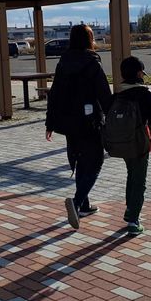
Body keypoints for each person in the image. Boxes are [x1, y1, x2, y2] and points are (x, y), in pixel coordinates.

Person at [45, 25, 112, 230]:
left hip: (69, 123)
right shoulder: (92, 62)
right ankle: (76, 202)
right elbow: (103, 93)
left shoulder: (63, 62)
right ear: (89, 39)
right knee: (96, 162)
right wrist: (113, 117)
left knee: (80, 159)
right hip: (90, 122)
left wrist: (49, 123)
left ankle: (84, 206)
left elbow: (54, 94)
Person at [115, 56, 151, 236]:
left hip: (122, 143)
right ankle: (133, 220)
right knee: (139, 181)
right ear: (139, 73)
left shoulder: (119, 94)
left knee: (132, 175)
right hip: (140, 143)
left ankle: (130, 210)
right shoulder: (145, 94)